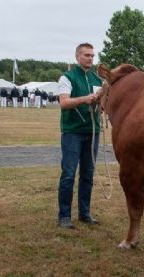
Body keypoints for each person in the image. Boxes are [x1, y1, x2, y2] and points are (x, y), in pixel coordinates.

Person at [56, 42, 102, 229]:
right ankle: (64, 216)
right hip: (73, 132)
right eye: (86, 55)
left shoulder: (97, 80)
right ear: (77, 57)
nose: (90, 58)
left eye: (92, 55)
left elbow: (101, 104)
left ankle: (84, 213)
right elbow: (64, 102)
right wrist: (85, 99)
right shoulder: (67, 77)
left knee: (88, 175)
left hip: (92, 131)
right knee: (68, 174)